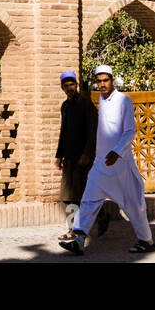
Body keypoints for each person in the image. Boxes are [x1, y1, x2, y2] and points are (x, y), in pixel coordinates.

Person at [58, 65, 155, 256]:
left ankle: (146, 240)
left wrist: (117, 151)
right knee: (88, 200)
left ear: (112, 81)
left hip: (120, 166)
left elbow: (130, 131)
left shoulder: (123, 100)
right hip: (101, 164)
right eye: (99, 81)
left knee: (132, 205)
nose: (102, 84)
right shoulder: (101, 100)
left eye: (105, 80)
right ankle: (78, 238)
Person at [53, 71, 96, 241]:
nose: (69, 88)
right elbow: (63, 132)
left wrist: (87, 154)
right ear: (62, 88)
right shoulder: (65, 106)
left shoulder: (86, 105)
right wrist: (59, 156)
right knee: (67, 195)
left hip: (83, 158)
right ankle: (72, 228)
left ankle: (99, 218)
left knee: (82, 194)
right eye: (66, 85)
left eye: (72, 85)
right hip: (70, 157)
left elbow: (93, 131)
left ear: (76, 85)